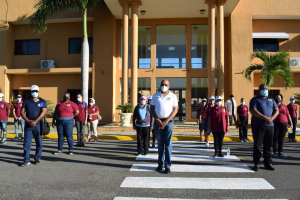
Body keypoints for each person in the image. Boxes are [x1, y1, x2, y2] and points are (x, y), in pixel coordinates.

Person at [150, 79, 178, 174]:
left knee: (168, 144)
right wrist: (157, 120)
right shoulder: (155, 95)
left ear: (169, 86)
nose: (164, 86)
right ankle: (160, 163)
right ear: (160, 85)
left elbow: (175, 110)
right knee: (160, 144)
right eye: (162, 84)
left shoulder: (173, 96)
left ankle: (167, 165)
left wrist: (166, 120)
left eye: (166, 85)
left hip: (169, 122)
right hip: (158, 122)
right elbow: (152, 109)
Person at [250, 84, 279, 171]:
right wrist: (265, 118)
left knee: (268, 145)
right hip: (259, 125)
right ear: (259, 90)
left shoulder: (271, 99)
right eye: (263, 89)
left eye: (266, 88)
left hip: (270, 126)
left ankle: (268, 162)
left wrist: (271, 118)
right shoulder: (255, 99)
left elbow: (276, 110)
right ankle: (256, 163)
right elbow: (253, 111)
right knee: (258, 145)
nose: (265, 90)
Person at [20, 85, 47, 166]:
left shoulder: (42, 101)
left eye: (36, 91)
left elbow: (44, 112)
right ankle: (26, 160)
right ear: (30, 92)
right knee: (26, 143)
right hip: (28, 125)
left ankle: (37, 158)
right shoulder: (26, 101)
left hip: (38, 125)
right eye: (33, 91)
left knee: (39, 142)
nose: (34, 93)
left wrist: (35, 121)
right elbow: (22, 112)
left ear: (38, 92)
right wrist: (28, 120)